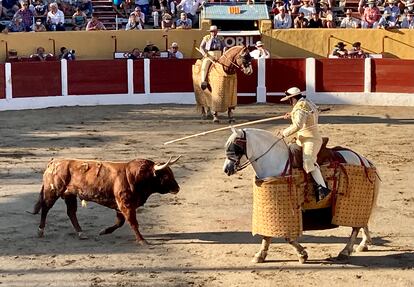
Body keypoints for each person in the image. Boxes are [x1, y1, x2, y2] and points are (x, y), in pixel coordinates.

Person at [279, 87, 330, 202]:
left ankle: (323, 188)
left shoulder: (300, 107)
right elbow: (305, 115)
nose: (289, 102)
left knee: (308, 160)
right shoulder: (306, 103)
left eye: (289, 100)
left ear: (292, 98)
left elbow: (298, 125)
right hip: (301, 138)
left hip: (311, 139)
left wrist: (284, 132)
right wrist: (291, 114)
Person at [199, 25, 225, 90]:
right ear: (210, 32)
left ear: (217, 32)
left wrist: (224, 53)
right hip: (210, 54)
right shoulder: (206, 38)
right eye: (212, 31)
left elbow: (224, 47)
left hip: (219, 54)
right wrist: (204, 54)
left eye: (214, 31)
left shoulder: (221, 38)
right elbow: (201, 47)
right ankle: (203, 81)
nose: (213, 33)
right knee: (205, 64)